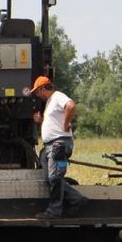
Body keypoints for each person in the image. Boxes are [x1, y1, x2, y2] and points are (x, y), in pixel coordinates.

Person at [29, 75, 85, 219]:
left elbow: (71, 105)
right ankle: (76, 199)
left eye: (36, 92)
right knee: (51, 178)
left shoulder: (58, 96)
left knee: (55, 177)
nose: (36, 95)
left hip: (60, 145)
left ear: (42, 89)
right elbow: (54, 123)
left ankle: (54, 211)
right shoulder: (50, 102)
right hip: (51, 146)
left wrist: (66, 124)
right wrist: (41, 121)